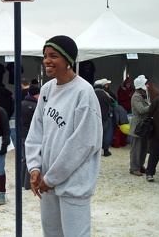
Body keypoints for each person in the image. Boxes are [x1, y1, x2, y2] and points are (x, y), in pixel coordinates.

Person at [25, 35, 102, 236]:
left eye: (53, 56)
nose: (47, 61)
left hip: (73, 186)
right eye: (45, 56)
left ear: (68, 60)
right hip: (46, 182)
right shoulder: (46, 90)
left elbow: (83, 144)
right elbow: (36, 132)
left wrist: (52, 178)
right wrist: (34, 167)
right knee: (51, 233)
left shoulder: (83, 93)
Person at [129, 75, 150, 176]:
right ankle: (134, 168)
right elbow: (141, 110)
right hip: (138, 125)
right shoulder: (136, 97)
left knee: (144, 148)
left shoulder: (143, 96)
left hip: (144, 125)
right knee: (136, 148)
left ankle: (140, 165)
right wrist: (152, 106)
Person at [21, 84, 40, 190]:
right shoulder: (36, 106)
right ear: (36, 95)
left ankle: (21, 181)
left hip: (22, 133)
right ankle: (28, 183)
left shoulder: (21, 103)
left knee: (24, 158)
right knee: (31, 158)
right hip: (31, 134)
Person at [94, 79, 113, 156]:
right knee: (105, 133)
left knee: (95, 134)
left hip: (94, 117)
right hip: (104, 116)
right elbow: (112, 103)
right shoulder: (105, 94)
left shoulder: (92, 93)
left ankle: (95, 152)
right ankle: (106, 150)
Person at [145, 93, 159, 181]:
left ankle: (149, 173)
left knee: (154, 154)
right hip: (157, 131)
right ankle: (149, 173)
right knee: (154, 153)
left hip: (156, 131)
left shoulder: (157, 99)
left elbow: (150, 112)